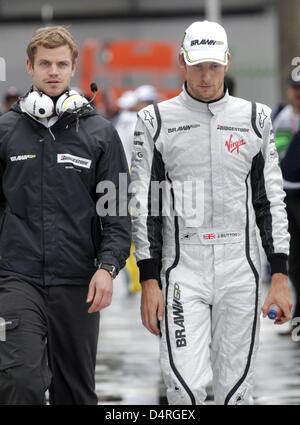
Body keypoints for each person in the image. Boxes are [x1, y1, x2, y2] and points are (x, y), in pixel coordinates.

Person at [130, 20, 292, 405]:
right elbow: (144, 205)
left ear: (227, 62)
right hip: (183, 268)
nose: (206, 76)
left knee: (236, 393)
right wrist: (149, 280)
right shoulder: (154, 121)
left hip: (241, 268)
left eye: (214, 66)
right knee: (182, 389)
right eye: (198, 65)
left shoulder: (256, 118)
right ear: (182, 62)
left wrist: (281, 274)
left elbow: (270, 201)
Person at [0, 26, 131, 405]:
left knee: (74, 393)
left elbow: (118, 213)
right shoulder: (6, 132)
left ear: (74, 68)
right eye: (45, 63)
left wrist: (107, 268)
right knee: (19, 381)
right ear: (30, 66)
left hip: (79, 281)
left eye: (61, 64)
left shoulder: (101, 134)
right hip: (15, 279)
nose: (53, 71)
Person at [273, 77, 300, 331]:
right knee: (294, 258)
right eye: (294, 87)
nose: (297, 93)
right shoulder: (281, 119)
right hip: (286, 197)